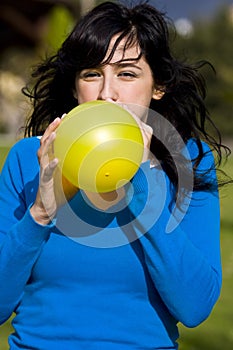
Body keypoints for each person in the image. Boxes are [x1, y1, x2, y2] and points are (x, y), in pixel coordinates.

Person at [0, 1, 231, 349]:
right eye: (92, 74)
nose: (107, 93)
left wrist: (140, 186)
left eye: (127, 73)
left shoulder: (190, 164)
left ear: (158, 86)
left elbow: (195, 307)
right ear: (76, 88)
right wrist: (40, 214)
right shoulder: (28, 161)